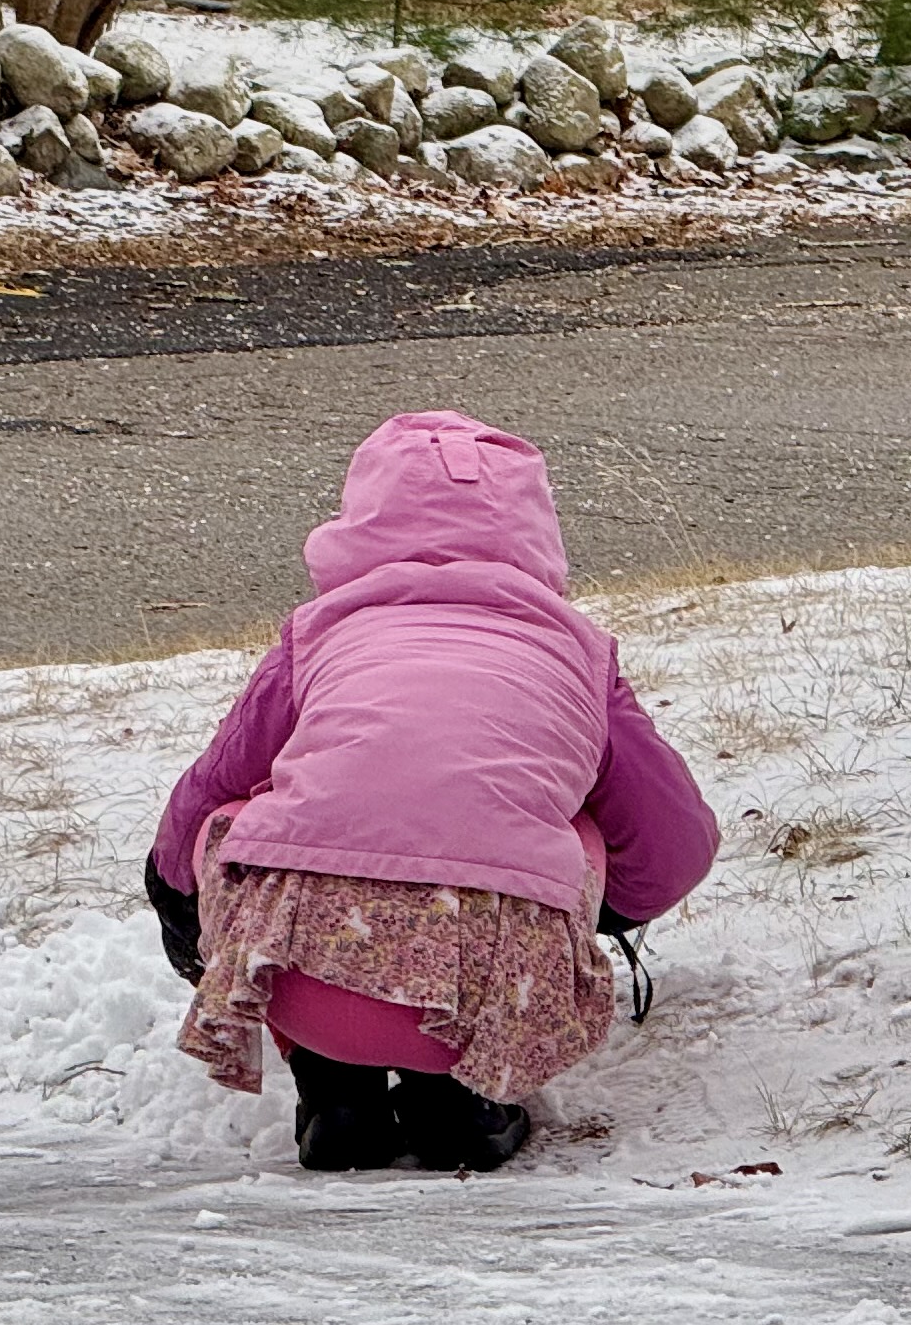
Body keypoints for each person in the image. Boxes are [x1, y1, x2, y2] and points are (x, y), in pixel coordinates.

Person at [145, 410, 720, 1173]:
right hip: (488, 971)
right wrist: (610, 908)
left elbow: (213, 787)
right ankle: (459, 1094)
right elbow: (671, 840)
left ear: (357, 520)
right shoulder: (576, 648)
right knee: (566, 826)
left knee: (235, 821)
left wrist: (175, 894)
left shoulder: (320, 631)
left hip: (304, 983)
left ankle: (334, 1089)